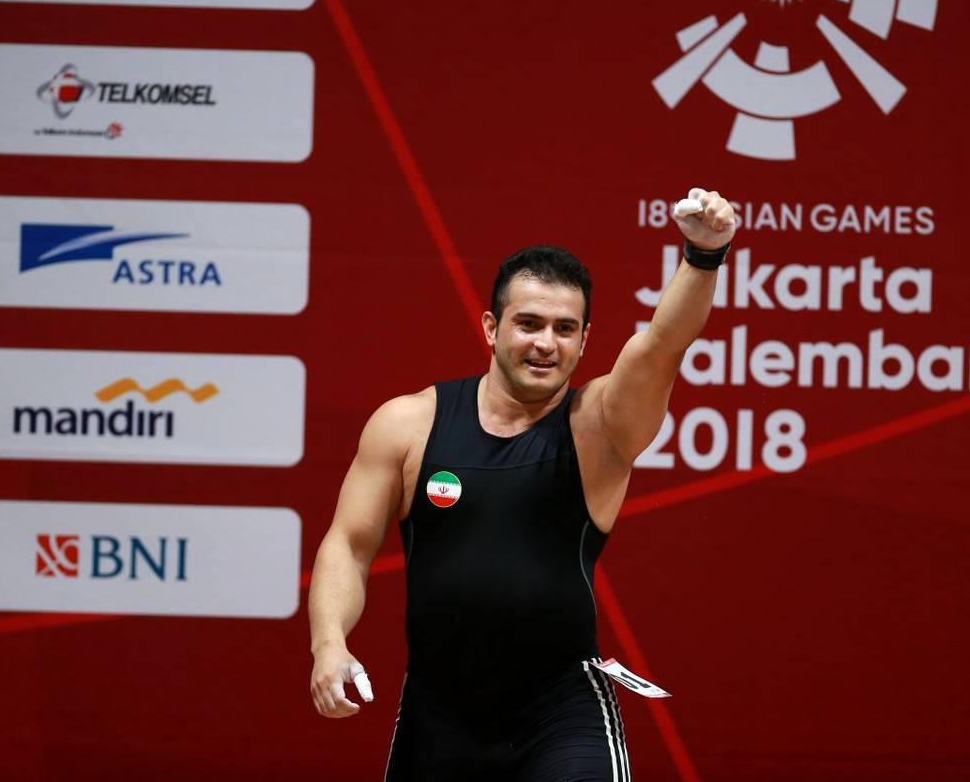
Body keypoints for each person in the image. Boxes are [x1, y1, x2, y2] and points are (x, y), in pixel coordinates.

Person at [308, 188, 736, 781]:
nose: (545, 343)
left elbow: (662, 345)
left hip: (561, 717)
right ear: (491, 327)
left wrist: (704, 256)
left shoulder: (601, 428)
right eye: (528, 324)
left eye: (565, 329)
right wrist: (329, 643)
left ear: (585, 340)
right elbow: (349, 545)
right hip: (437, 717)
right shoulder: (407, 424)